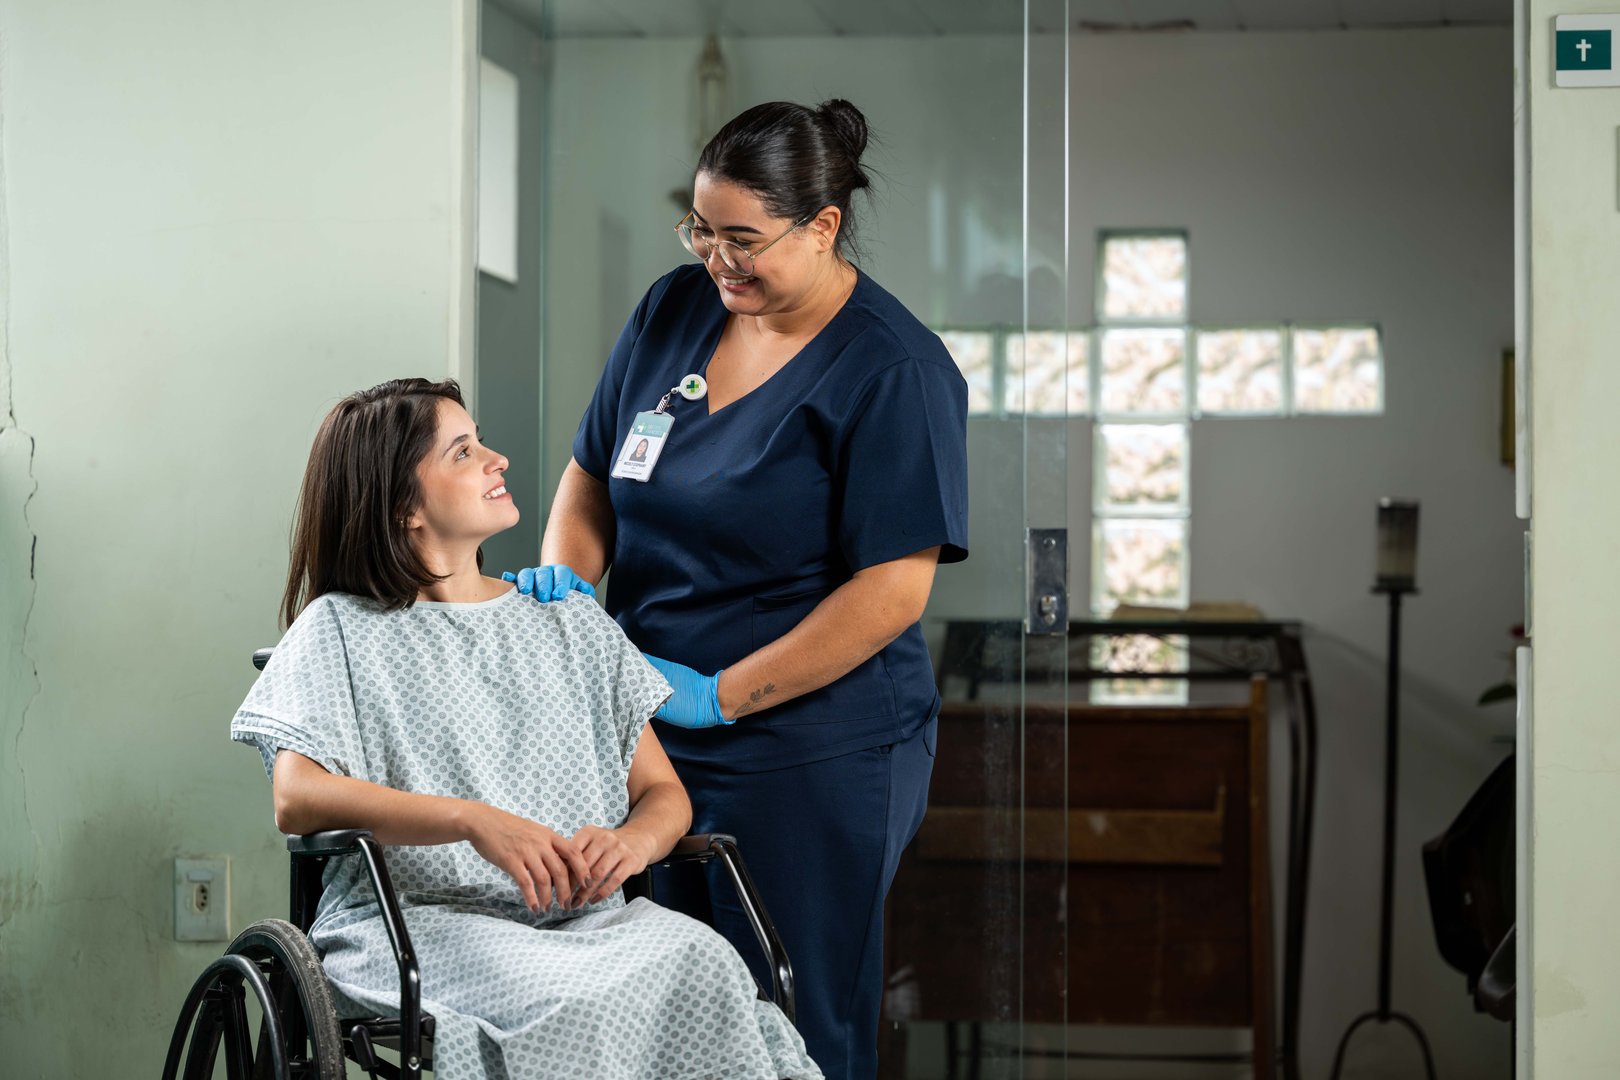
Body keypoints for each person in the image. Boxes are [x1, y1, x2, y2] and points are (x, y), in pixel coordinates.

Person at [515, 99, 969, 1080]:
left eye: (745, 239)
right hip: (647, 731)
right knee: (650, 1012)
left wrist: (719, 695)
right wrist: (569, 596)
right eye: (702, 230)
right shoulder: (673, 310)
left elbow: (892, 592)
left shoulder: (893, 369)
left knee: (788, 1022)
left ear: (823, 227)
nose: (719, 259)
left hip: (815, 744)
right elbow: (592, 479)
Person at [231, 378, 822, 1080]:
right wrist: (471, 821)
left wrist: (632, 844)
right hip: (421, 924)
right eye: (462, 451)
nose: (496, 458)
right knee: (578, 1003)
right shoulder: (338, 630)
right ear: (403, 507)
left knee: (704, 962)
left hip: (587, 920)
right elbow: (296, 798)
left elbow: (665, 793)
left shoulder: (569, 621)